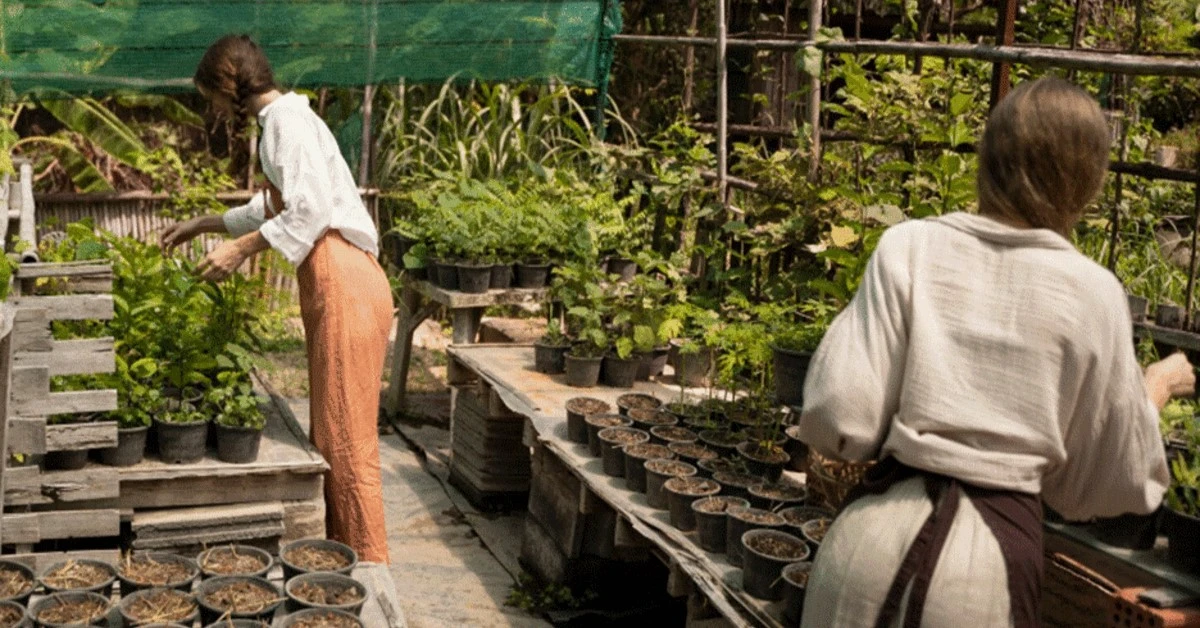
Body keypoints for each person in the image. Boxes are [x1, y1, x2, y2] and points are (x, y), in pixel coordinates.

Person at [797, 77, 1195, 627]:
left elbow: (837, 415)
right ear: (1086, 180)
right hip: (980, 578)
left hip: (865, 548)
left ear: (987, 156)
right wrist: (1157, 386)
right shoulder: (1090, 290)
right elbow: (1105, 484)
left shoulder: (910, 246)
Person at [161, 34, 393, 564]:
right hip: (335, 276)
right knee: (333, 434)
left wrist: (239, 250)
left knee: (348, 442)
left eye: (211, 97)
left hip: (344, 277)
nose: (213, 109)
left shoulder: (287, 123)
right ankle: (344, 566)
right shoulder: (280, 124)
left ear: (229, 87)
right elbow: (274, 206)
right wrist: (205, 222)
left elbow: (308, 212)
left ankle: (372, 575)